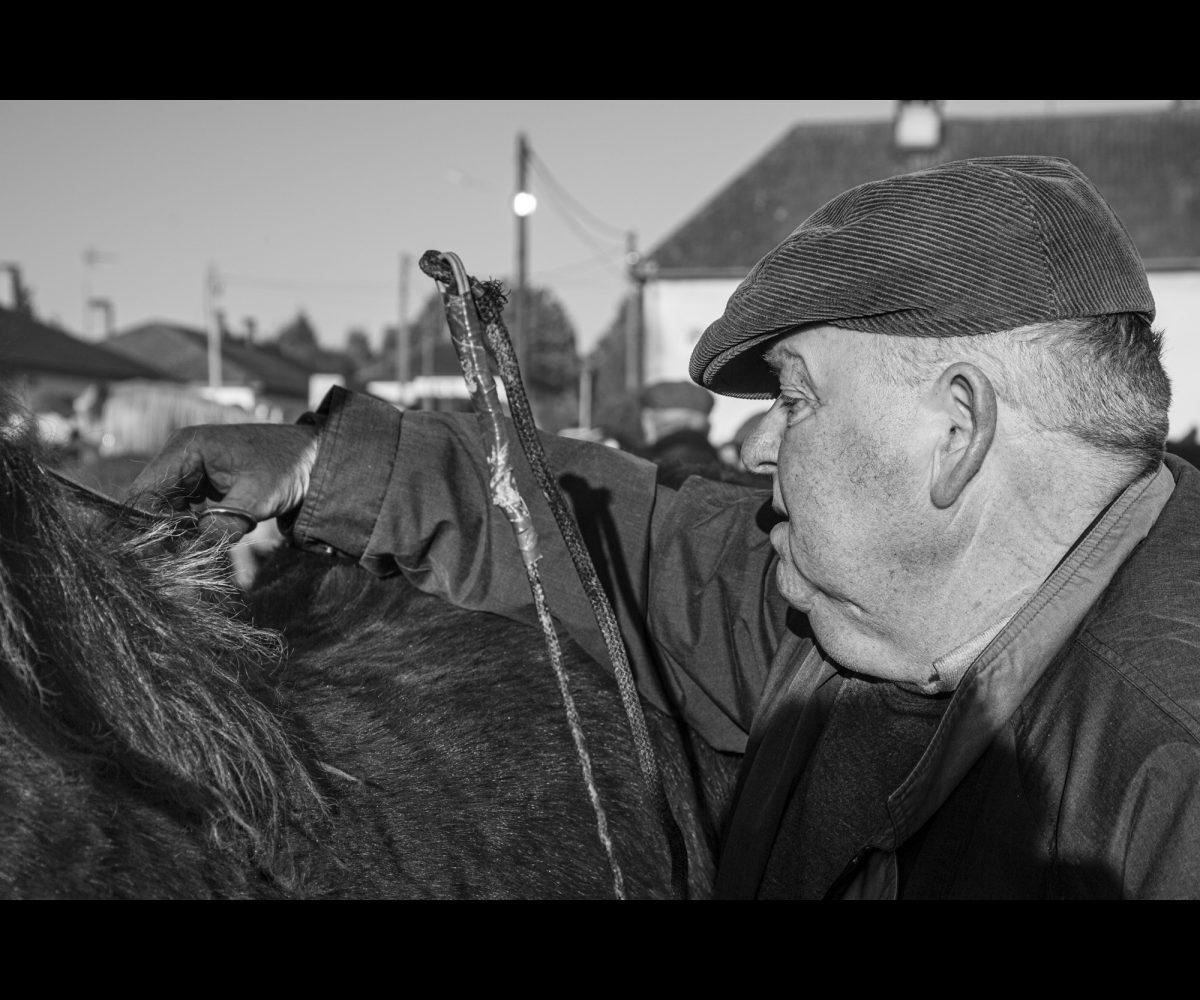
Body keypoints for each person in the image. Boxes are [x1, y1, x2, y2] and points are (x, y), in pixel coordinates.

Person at [132, 155, 1200, 899]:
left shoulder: (1166, 794)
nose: (760, 450)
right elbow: (635, 545)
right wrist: (331, 464)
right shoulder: (864, 613)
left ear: (955, 428)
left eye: (795, 397)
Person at [636, 380, 721, 473]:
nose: (643, 424)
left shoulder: (643, 472)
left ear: (653, 420)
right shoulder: (726, 471)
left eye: (645, 417)